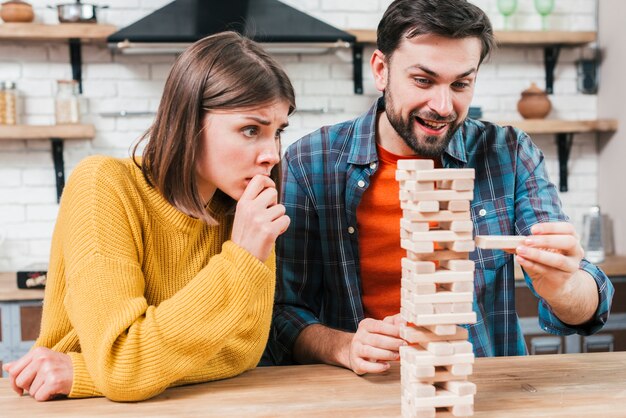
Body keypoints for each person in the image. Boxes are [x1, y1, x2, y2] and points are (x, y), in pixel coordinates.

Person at [263, 0, 614, 374]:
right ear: (381, 70)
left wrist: (565, 288)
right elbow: (283, 311)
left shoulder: (510, 154)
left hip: (477, 390)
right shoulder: (310, 162)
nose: (444, 106)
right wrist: (344, 346)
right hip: (359, 391)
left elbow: (588, 305)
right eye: (423, 80)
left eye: (461, 84)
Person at [2, 31, 295, 401]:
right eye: (250, 129)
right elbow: (122, 366)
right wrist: (240, 260)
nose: (271, 153)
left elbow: (240, 352)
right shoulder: (104, 185)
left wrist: (85, 371)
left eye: (278, 132)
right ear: (191, 122)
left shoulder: (245, 214)